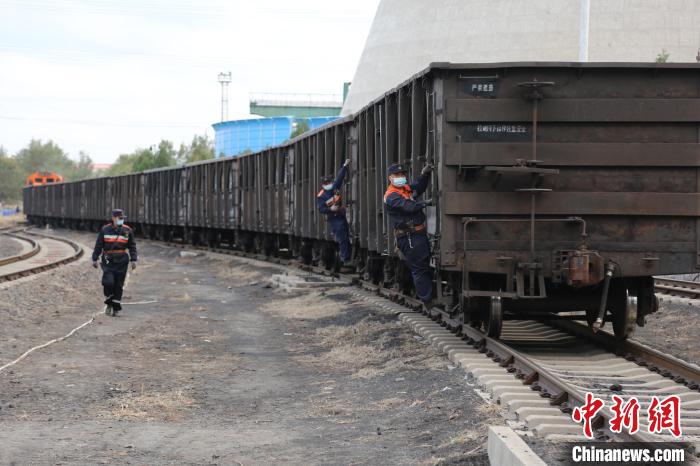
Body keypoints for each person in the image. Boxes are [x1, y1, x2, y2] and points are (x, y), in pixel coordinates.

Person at [383, 162, 434, 308]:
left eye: (402, 174)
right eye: (397, 175)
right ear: (390, 178)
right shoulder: (391, 196)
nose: (400, 177)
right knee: (419, 268)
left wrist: (425, 174)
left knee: (423, 265)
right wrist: (425, 203)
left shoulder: (405, 189)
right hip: (409, 236)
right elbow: (408, 207)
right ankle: (427, 300)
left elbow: (417, 187)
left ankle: (428, 296)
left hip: (416, 233)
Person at [92, 209, 137, 316]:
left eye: (122, 218)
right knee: (108, 282)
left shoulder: (127, 230)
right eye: (119, 218)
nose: (121, 220)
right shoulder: (105, 229)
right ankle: (109, 303)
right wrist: (95, 258)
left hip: (122, 260)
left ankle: (115, 307)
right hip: (108, 259)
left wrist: (133, 259)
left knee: (118, 284)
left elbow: (132, 246)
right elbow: (98, 245)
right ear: (113, 218)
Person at [317, 158, 353, 272]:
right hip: (334, 219)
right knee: (342, 237)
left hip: (342, 216)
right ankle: (345, 260)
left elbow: (340, 177)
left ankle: (348, 257)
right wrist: (330, 209)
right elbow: (321, 209)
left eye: (329, 182)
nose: (329, 185)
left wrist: (345, 165)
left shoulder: (334, 188)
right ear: (323, 185)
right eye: (326, 183)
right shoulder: (321, 196)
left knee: (348, 236)